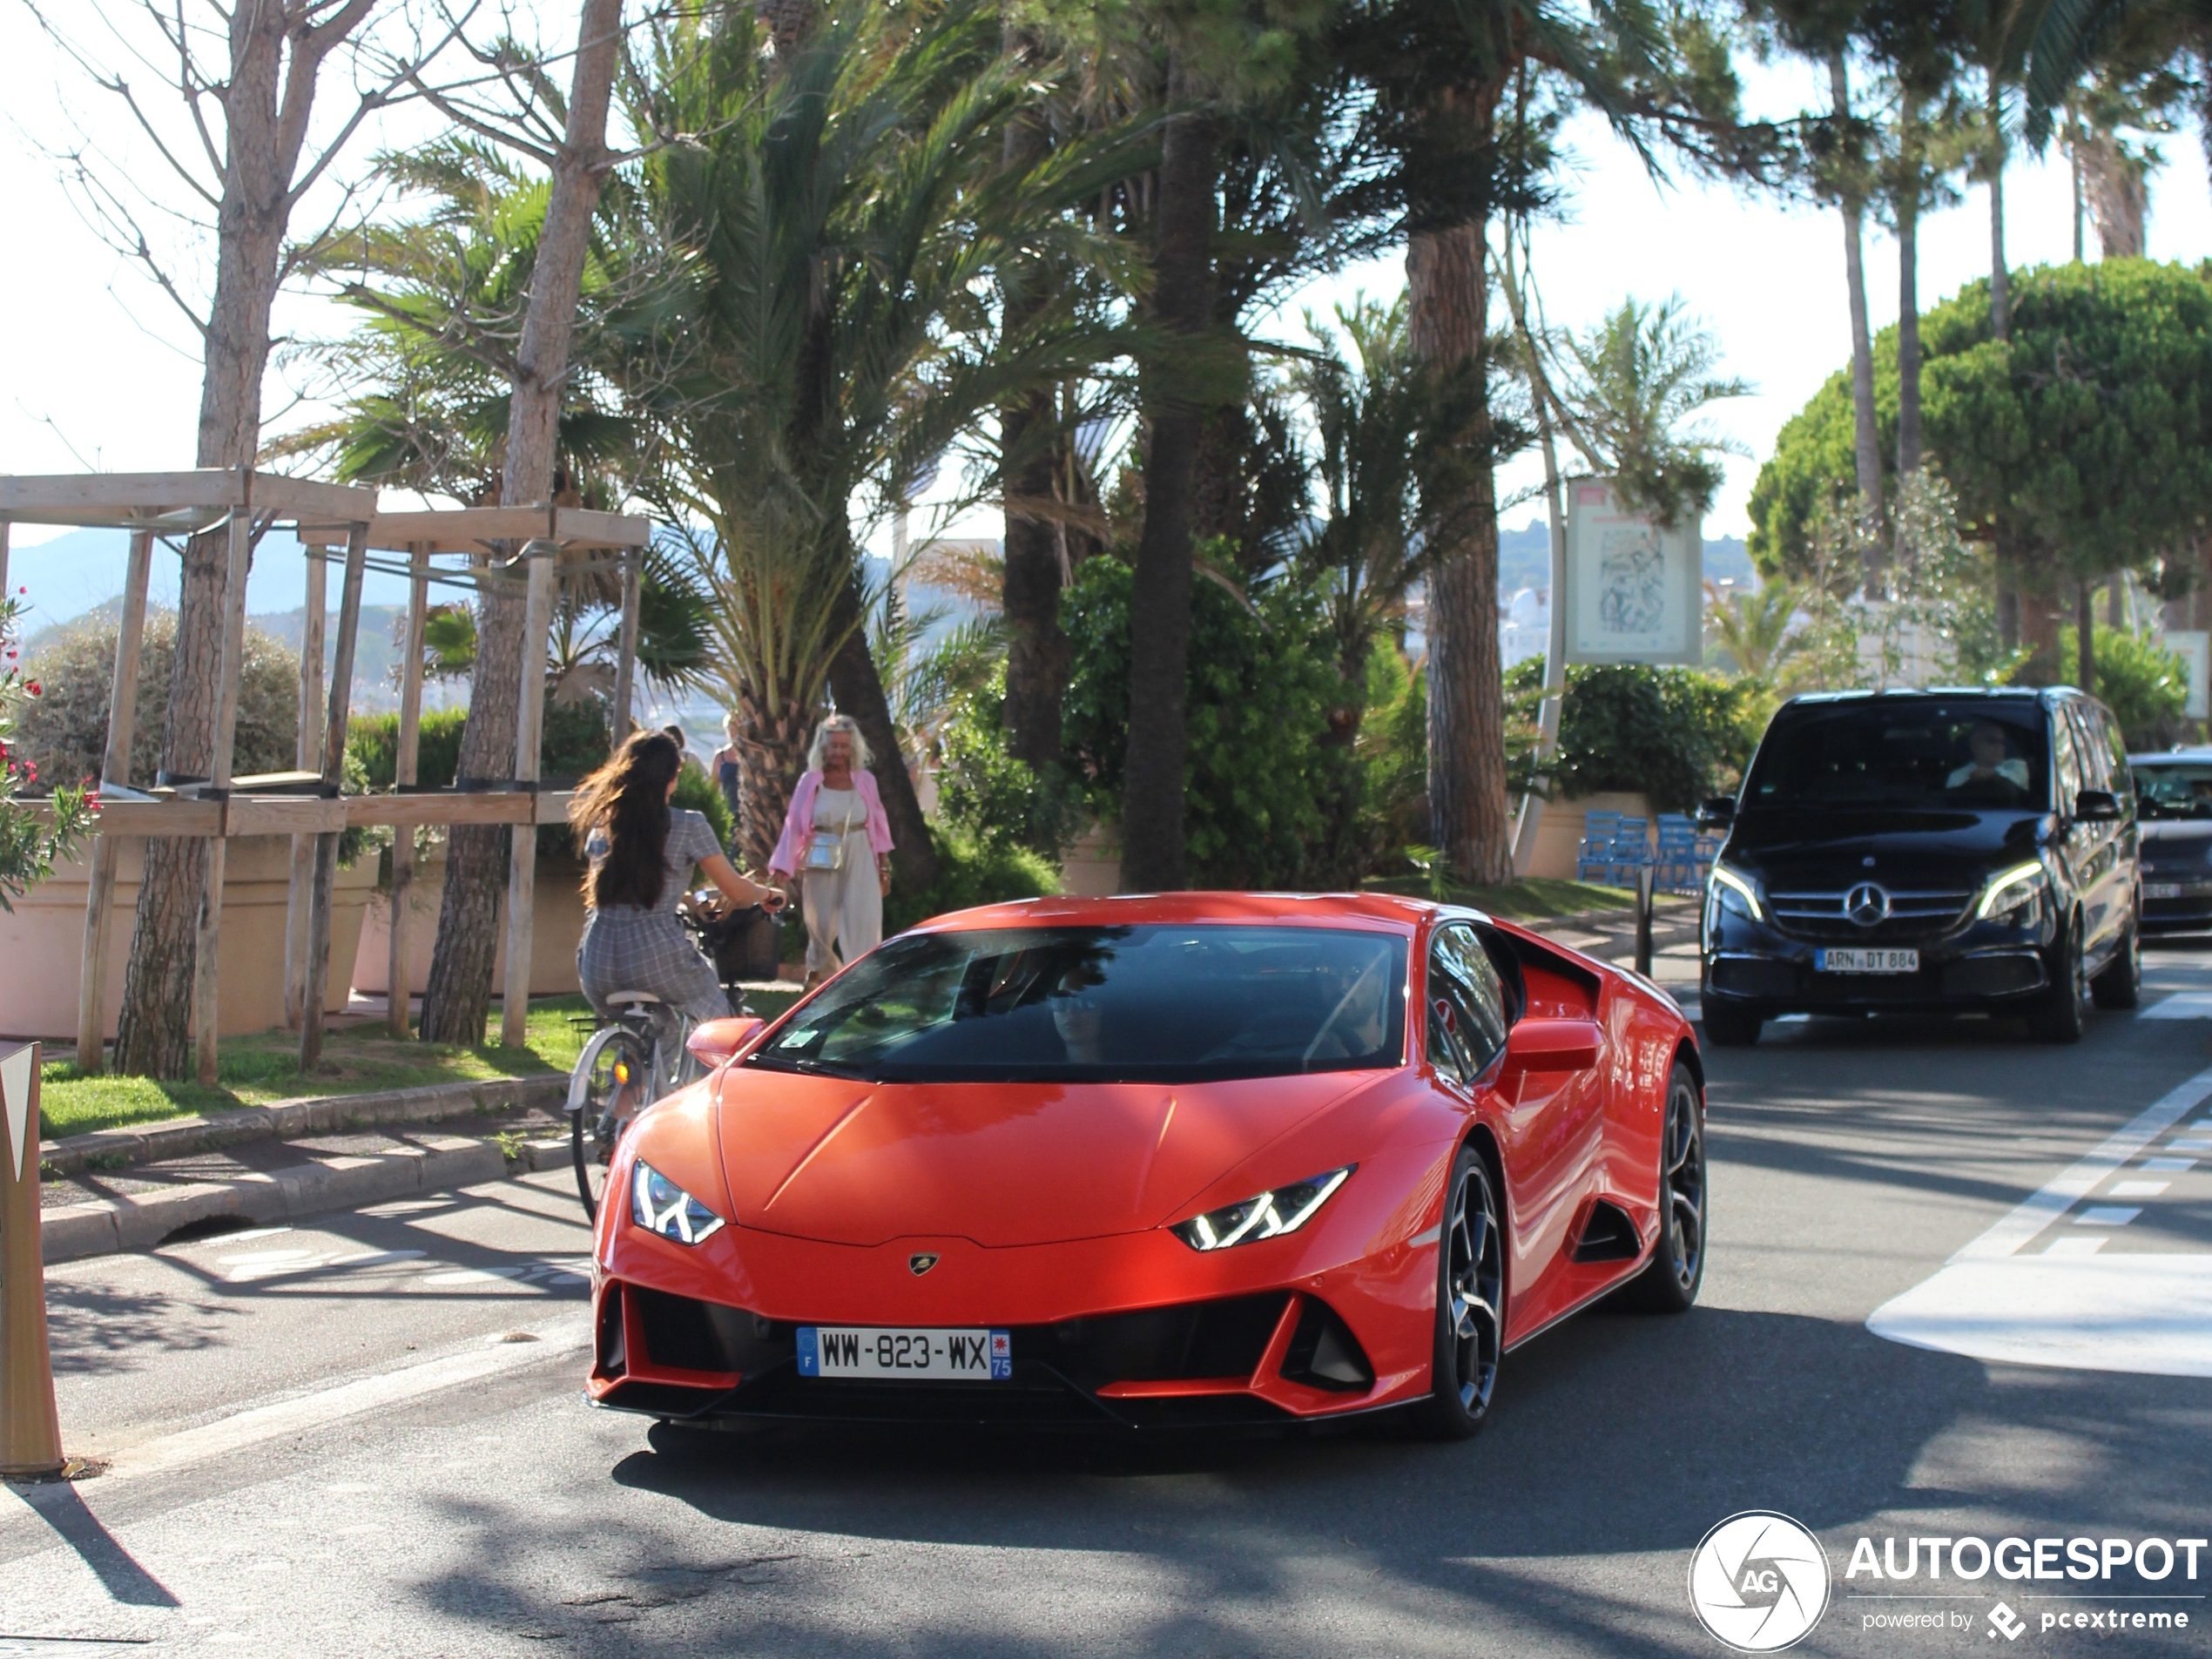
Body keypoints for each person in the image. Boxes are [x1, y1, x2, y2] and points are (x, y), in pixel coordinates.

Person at [570, 730, 785, 1032]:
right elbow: (735, 889)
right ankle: (709, 1080)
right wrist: (767, 893)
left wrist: (685, 900)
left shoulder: (606, 823)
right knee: (719, 1029)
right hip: (655, 955)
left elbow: (623, 888)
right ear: (672, 777)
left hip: (598, 957)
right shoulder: (688, 824)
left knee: (660, 1034)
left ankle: (631, 1079)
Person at [769, 713, 895, 988]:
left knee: (864, 918)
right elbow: (794, 824)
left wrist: (883, 866)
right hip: (822, 849)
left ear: (854, 748)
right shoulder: (811, 780)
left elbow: (878, 821)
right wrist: (781, 867)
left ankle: (865, 984)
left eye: (844, 745)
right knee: (821, 921)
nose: (839, 752)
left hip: (860, 849)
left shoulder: (865, 780)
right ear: (823, 747)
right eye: (834, 746)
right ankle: (816, 973)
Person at [1946, 719, 2030, 793]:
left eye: (2002, 742)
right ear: (1974, 745)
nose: (1999, 747)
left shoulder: (2018, 767)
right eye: (1992, 741)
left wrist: (1992, 775)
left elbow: (2016, 784)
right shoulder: (1956, 777)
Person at [709, 712, 743, 833]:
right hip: (729, 815)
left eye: (736, 728)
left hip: (751, 816)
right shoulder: (721, 758)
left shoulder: (751, 757)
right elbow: (713, 788)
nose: (733, 733)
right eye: (730, 729)